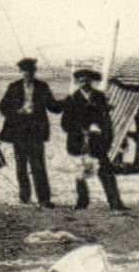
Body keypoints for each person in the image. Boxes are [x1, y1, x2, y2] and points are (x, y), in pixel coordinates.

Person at [51, 67, 126, 211]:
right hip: (78, 141)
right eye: (80, 81)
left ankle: (115, 203)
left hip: (97, 141)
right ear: (77, 82)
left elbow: (106, 121)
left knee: (105, 170)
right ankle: (82, 202)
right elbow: (65, 124)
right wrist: (81, 130)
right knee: (80, 171)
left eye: (86, 80)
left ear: (91, 81)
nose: (83, 83)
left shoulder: (99, 97)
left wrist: (105, 137)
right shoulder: (72, 99)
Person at [0, 57, 56, 207]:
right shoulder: (14, 87)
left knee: (38, 166)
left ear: (34, 71)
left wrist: (70, 102)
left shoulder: (42, 87)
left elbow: (53, 106)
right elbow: (3, 107)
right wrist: (16, 112)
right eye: (24, 71)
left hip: (36, 130)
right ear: (21, 72)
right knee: (21, 166)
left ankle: (44, 199)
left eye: (30, 71)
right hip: (18, 130)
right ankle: (25, 198)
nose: (27, 74)